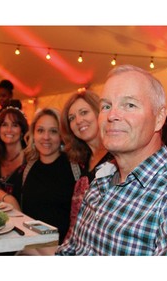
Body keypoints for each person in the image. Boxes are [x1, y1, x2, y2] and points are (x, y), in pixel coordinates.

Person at [57, 64, 167, 256]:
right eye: (106, 106)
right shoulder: (101, 182)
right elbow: (70, 252)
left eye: (129, 105)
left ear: (159, 118)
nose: (112, 115)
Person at [56, 90, 113, 251]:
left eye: (84, 112)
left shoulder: (116, 157)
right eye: (72, 118)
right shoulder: (83, 159)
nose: (78, 121)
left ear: (99, 112)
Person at [20, 108, 75, 246]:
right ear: (33, 134)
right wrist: (6, 197)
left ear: (61, 136)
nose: (46, 137)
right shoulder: (28, 167)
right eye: (40, 130)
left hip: (61, 249)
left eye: (53, 131)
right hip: (29, 245)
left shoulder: (75, 168)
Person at [0, 107, 28, 210]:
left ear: (22, 131)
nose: (9, 130)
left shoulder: (29, 160)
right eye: (4, 125)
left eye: (15, 125)